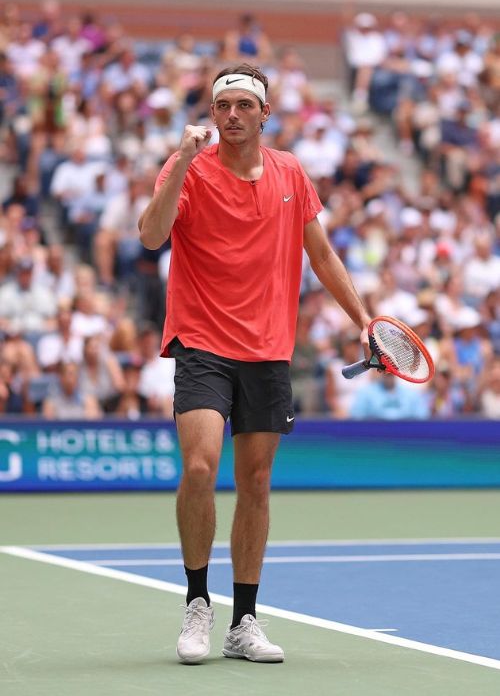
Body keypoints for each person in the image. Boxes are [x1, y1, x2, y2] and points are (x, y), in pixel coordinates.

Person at [138, 62, 371, 664]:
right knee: (198, 467)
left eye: (244, 105)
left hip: (268, 348)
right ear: (212, 114)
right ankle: (197, 604)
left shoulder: (292, 172)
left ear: (264, 113)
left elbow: (320, 253)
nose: (232, 115)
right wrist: (183, 162)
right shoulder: (185, 167)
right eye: (223, 107)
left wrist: (363, 320)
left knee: (257, 483)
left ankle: (244, 621)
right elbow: (150, 235)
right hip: (201, 342)